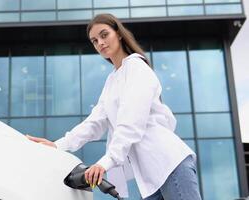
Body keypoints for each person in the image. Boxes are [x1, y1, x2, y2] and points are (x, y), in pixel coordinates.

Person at [26, 13, 202, 200]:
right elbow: (94, 123)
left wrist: (105, 162)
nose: (100, 43)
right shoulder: (112, 80)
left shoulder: (136, 67)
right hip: (150, 178)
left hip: (168, 163)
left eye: (104, 35)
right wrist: (57, 144)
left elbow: (130, 123)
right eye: (94, 40)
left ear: (118, 33)